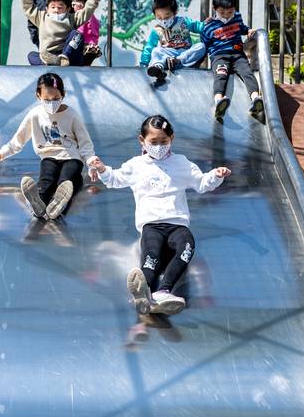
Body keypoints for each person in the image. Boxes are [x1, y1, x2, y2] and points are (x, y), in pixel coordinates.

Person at [88, 115, 231, 316]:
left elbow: (201, 183)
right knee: (151, 256)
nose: (159, 146)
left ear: (171, 138)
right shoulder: (136, 165)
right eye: (153, 142)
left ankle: (163, 291)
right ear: (142, 141)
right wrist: (102, 169)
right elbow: (114, 179)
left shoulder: (181, 163)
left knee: (187, 245)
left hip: (177, 224)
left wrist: (215, 176)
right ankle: (143, 288)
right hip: (151, 225)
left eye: (163, 141)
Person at [0, 73, 100, 220]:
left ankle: (59, 208)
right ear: (38, 96)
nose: (52, 103)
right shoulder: (35, 114)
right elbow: (19, 139)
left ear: (63, 94)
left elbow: (85, 142)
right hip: (48, 157)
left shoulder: (72, 115)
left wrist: (90, 162)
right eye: (47, 100)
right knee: (46, 181)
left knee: (66, 181)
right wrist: (1, 153)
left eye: (56, 99)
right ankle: (37, 205)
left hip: (71, 157)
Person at [200, 0, 263, 124]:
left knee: (247, 73)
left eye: (230, 11)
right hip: (219, 56)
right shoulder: (210, 25)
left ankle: (256, 98)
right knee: (221, 75)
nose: (226, 15)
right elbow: (204, 41)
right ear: (214, 8)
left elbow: (241, 27)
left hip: (237, 54)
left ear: (234, 8)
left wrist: (248, 31)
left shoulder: (237, 17)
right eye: (222, 12)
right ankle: (218, 100)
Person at [22, 0, 103, 67]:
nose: (56, 10)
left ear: (67, 9)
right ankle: (51, 63)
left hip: (68, 55)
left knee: (77, 35)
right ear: (47, 8)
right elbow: (29, 8)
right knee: (31, 56)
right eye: (53, 7)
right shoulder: (41, 17)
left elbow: (87, 12)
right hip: (49, 56)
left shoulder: (72, 18)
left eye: (60, 7)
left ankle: (64, 58)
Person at [139, 0, 206, 82]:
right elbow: (149, 46)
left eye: (167, 17)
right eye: (159, 17)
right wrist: (143, 64)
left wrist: (209, 26)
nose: (163, 21)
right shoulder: (157, 30)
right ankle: (158, 68)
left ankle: (178, 61)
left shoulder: (184, 22)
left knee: (201, 46)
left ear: (175, 12)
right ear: (154, 15)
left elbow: (197, 26)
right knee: (156, 50)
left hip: (184, 53)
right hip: (168, 54)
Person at [73, 0, 102, 64]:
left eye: (75, 4)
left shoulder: (82, 18)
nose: (73, 7)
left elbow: (80, 31)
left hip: (84, 46)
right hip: (92, 45)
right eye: (73, 5)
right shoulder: (93, 18)